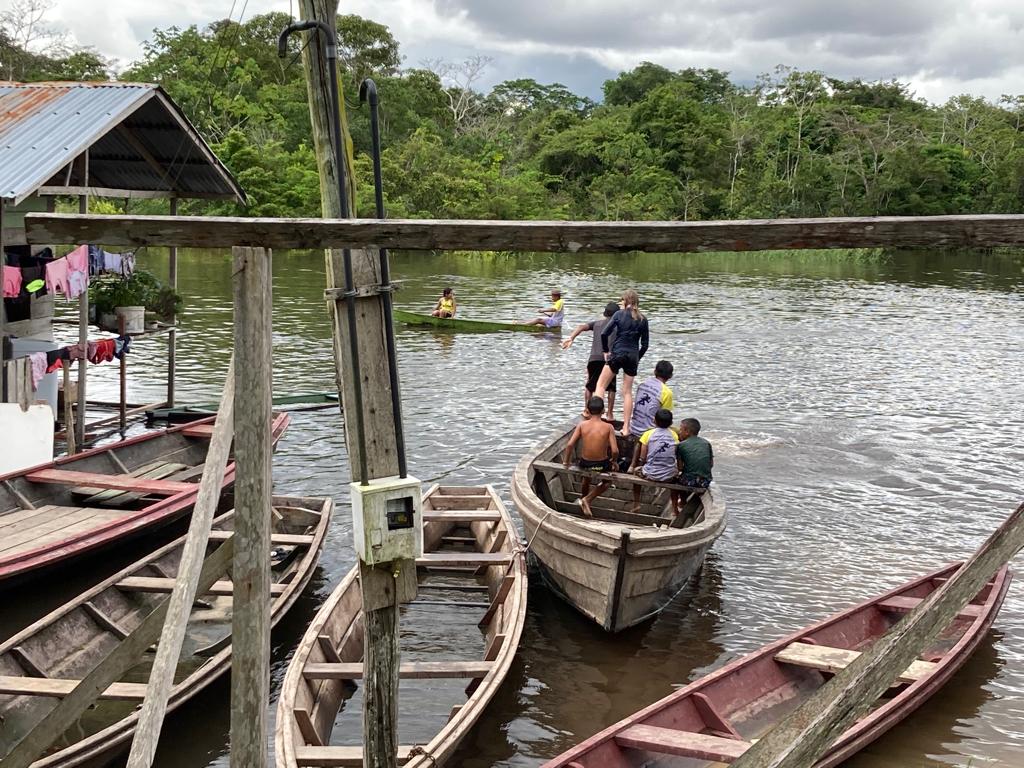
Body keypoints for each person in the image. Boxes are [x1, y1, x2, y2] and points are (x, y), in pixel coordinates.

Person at [594, 289, 649, 435]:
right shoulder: (643, 319)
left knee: (600, 385)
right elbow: (645, 345)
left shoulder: (619, 314)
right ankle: (626, 428)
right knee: (627, 393)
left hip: (617, 353)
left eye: (622, 300)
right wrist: (637, 357)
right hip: (632, 356)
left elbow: (604, 333)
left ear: (625, 301)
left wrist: (606, 351)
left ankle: (596, 421)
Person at [561, 302, 620, 419]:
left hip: (594, 358)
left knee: (590, 386)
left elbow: (580, 327)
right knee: (611, 387)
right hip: (609, 359)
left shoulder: (597, 324)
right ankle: (610, 413)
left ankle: (587, 410)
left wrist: (571, 338)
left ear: (605, 313)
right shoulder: (618, 326)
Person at [562, 397, 619, 518]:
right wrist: (613, 462)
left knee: (586, 477)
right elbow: (615, 450)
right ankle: (587, 499)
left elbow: (570, 444)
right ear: (603, 410)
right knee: (608, 481)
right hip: (601, 465)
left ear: (587, 410)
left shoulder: (582, 425)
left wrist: (566, 462)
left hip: (585, 463)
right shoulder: (608, 427)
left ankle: (583, 498)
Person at [631, 408, 678, 513]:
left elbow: (643, 457)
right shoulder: (674, 435)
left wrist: (639, 465)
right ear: (671, 423)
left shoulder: (648, 434)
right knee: (676, 480)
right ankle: (675, 509)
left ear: (654, 421)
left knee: (636, 472)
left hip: (650, 474)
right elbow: (675, 453)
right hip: (669, 476)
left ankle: (636, 503)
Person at [676, 417, 713, 489]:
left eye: (681, 429)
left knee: (674, 482)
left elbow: (680, 468)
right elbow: (711, 464)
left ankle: (681, 500)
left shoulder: (681, 445)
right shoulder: (706, 443)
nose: (679, 432)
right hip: (705, 481)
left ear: (687, 432)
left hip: (689, 481)